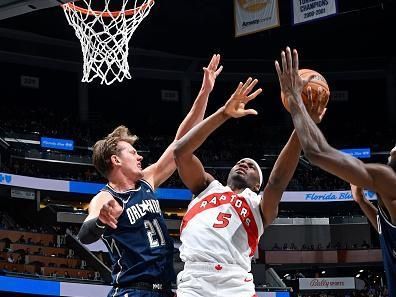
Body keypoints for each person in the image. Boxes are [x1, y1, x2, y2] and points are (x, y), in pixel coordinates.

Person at [77, 54, 224, 297]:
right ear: (115, 160)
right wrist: (101, 220)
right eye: (133, 152)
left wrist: (205, 92)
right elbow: (85, 235)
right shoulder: (105, 198)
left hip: (165, 290)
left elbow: (181, 143)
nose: (140, 157)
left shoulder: (147, 180)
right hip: (133, 290)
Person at [173, 77, 326, 297]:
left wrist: (301, 124)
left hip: (236, 284)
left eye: (251, 166)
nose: (243, 164)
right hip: (195, 281)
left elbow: (277, 182)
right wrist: (223, 113)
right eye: (239, 162)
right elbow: (180, 152)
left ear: (257, 185)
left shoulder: (259, 206)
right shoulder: (206, 186)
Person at [275, 46, 396, 296]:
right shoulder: (390, 207)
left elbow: (316, 152)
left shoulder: (390, 182)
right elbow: (384, 228)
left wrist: (298, 103)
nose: (390, 152)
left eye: (394, 153)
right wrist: (361, 200)